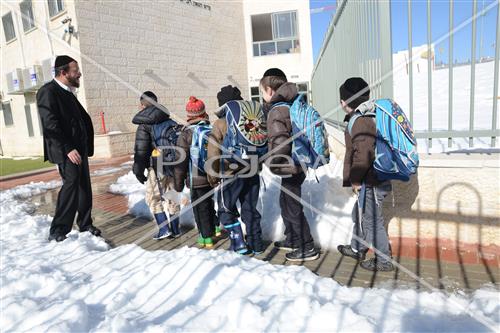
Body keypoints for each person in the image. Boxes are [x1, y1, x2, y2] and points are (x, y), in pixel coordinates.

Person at [37, 55, 100, 242]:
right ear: (63, 72)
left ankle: (85, 224)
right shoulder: (48, 92)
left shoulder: (67, 92)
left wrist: (85, 145)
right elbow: (50, 125)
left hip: (79, 149)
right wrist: (67, 148)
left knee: (84, 187)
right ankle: (58, 230)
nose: (79, 73)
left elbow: (81, 119)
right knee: (71, 186)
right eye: (75, 71)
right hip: (66, 151)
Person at [260, 68, 319, 261]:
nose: (262, 96)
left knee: (292, 206)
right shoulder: (292, 104)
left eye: (261, 91)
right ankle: (293, 238)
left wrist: (274, 164)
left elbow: (279, 143)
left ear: (269, 90)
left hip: (290, 165)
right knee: (286, 202)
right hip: (298, 163)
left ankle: (307, 245)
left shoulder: (277, 110)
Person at [336, 77, 394, 272]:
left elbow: (363, 154)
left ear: (344, 102)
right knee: (358, 214)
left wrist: (356, 179)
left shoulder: (361, 121)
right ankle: (358, 247)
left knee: (371, 220)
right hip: (373, 178)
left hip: (370, 180)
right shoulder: (367, 116)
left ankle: (384, 260)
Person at [206, 85, 264, 255]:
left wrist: (212, 176)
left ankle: (238, 243)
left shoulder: (220, 123)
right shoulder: (251, 122)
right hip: (252, 172)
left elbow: (213, 152)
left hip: (230, 174)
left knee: (225, 209)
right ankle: (256, 244)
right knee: (250, 209)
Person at [132, 91, 181, 240]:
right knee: (172, 196)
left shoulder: (144, 125)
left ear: (142, 105)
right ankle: (175, 229)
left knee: (153, 198)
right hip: (173, 164)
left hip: (157, 166)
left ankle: (164, 229)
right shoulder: (169, 120)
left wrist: (138, 171)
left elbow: (141, 151)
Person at [173, 96, 220, 248]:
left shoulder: (186, 133)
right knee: (208, 202)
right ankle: (216, 226)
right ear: (203, 113)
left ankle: (206, 237)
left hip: (195, 177)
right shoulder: (210, 128)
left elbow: (180, 161)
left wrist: (178, 183)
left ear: (189, 115)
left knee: (200, 208)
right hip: (210, 175)